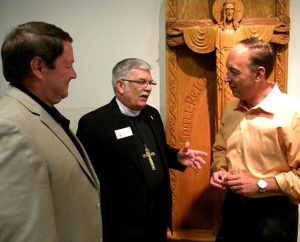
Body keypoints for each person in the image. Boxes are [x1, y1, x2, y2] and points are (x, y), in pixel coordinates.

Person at [76, 58, 208, 242]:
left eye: (150, 82)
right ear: (120, 85)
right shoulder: (94, 123)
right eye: (141, 82)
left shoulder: (152, 114)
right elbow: (85, 179)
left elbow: (154, 153)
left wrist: (177, 156)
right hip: (122, 226)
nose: (148, 87)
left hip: (157, 222)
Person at [0, 21, 102, 242]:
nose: (74, 74)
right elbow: (25, 234)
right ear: (38, 67)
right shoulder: (10, 128)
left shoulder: (40, 113)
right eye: (68, 65)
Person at [210, 37, 299, 242]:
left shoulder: (293, 114)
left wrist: (260, 184)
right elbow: (220, 149)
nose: (226, 78)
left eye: (234, 72)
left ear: (259, 73)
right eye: (227, 70)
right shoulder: (231, 110)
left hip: (273, 219)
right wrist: (221, 170)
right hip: (232, 211)